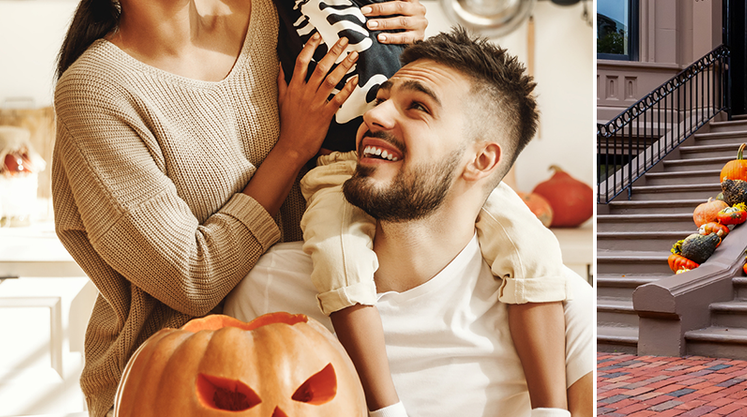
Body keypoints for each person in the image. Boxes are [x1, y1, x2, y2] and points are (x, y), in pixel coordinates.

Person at [13, 0, 425, 417]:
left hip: (310, 363)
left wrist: (405, 19)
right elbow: (191, 276)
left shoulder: (263, 6)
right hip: (179, 382)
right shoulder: (95, 92)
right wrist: (290, 149)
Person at [178, 0, 573, 417]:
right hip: (338, 167)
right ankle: (384, 406)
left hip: (427, 160)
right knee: (336, 256)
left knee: (532, 248)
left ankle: (551, 406)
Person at [225, 28, 594, 417]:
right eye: (382, 99)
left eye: (417, 107)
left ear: (482, 161)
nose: (373, 114)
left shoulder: (567, 309)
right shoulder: (269, 290)